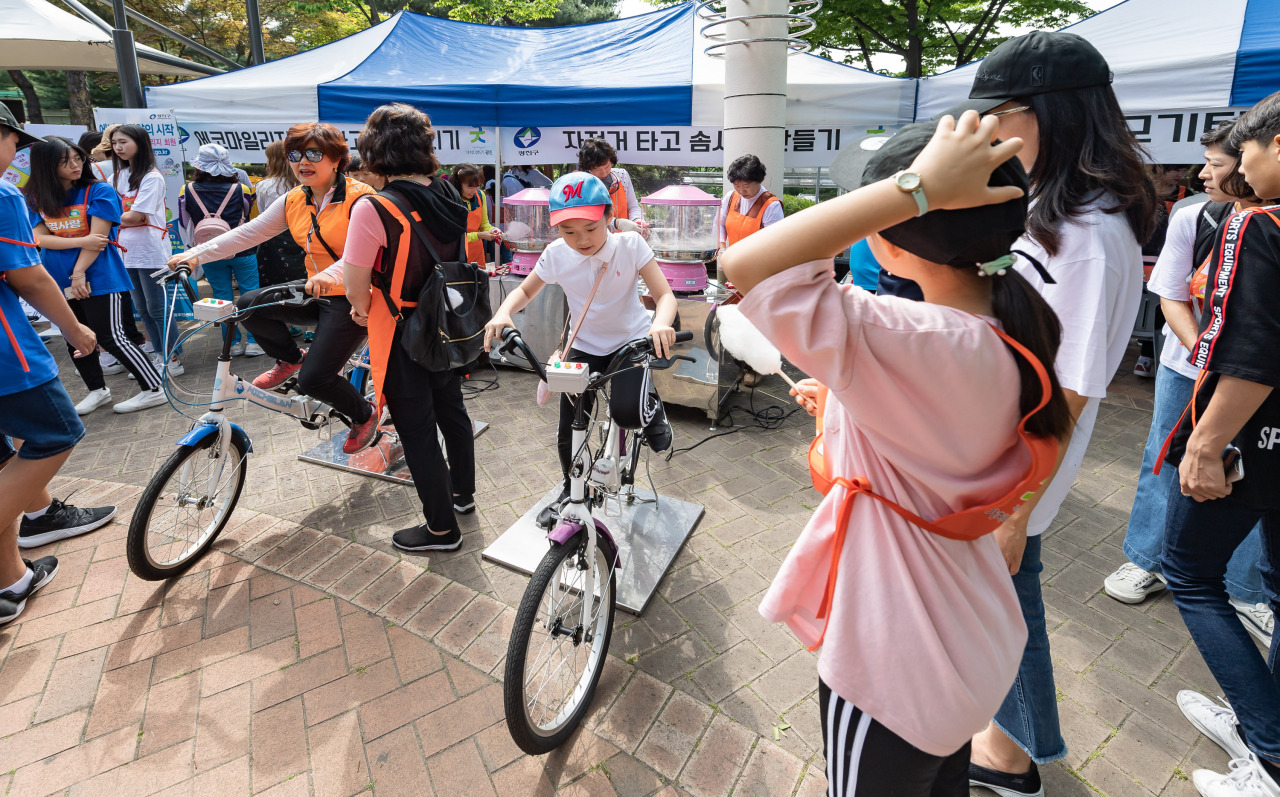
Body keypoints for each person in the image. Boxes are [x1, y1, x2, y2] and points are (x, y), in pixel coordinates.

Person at [720, 112, 1072, 794]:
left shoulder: (901, 332)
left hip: (894, 668)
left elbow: (746, 264)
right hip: (972, 641)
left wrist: (916, 185)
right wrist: (848, 403)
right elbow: (940, 433)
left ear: (889, 242)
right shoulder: (1012, 323)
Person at [947, 32, 1159, 796]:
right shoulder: (1051, 200)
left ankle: (1012, 758)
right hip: (1001, 445)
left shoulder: (1094, 232)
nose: (985, 129)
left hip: (1022, 458)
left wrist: (1016, 506)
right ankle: (1003, 737)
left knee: (1011, 599)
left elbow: (1074, 385)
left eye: (997, 113)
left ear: (1048, 112)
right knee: (1001, 599)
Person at [1105, 120, 1273, 648]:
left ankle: (1243, 591)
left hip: (1252, 381)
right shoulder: (1193, 216)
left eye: (1221, 164)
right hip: (1193, 369)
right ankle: (1149, 560)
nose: (1205, 173)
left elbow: (1259, 338)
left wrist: (1229, 365)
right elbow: (1171, 294)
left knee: (1251, 481)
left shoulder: (1258, 227)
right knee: (1169, 462)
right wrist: (1207, 354)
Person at [1160, 92, 1280, 797]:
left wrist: (1205, 445)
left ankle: (1267, 747)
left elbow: (1252, 350)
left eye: (1244, 153)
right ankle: (1263, 723)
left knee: (1190, 572)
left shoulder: (1258, 224)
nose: (1233, 169)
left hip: (1253, 437)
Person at [169, 123, 380, 456]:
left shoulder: (362, 199)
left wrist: (331, 275)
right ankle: (291, 358)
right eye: (295, 154)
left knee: (315, 381)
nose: (302, 162)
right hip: (317, 290)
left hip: (353, 296)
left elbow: (365, 252)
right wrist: (194, 255)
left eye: (314, 153)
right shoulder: (294, 199)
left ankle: (364, 414)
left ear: (338, 159)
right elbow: (246, 234)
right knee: (250, 303)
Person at [484, 171, 677, 529]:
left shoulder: (631, 246)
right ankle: (570, 490)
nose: (581, 240)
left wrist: (660, 324)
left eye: (590, 228)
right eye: (569, 231)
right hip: (583, 346)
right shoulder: (557, 253)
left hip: (631, 341)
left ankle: (651, 408)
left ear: (608, 216)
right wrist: (502, 312)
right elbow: (525, 291)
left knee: (628, 412)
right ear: (557, 229)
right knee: (569, 426)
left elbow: (665, 296)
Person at [337, 103, 476, 552]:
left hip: (400, 330)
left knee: (416, 429)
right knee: (451, 410)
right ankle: (461, 497)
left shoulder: (374, 208)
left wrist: (360, 309)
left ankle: (440, 530)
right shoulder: (450, 193)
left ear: (374, 150)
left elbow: (355, 282)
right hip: (447, 321)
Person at [0, 114, 116, 625]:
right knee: (57, 434)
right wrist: (75, 330)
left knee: (7, 459)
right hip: (7, 355)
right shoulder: (4, 198)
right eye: (14, 140)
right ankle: (34, 519)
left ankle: (12, 579)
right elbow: (32, 278)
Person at [25, 136, 167, 414]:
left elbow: (99, 239)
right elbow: (38, 238)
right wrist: (80, 241)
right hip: (56, 278)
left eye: (78, 158)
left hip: (100, 276)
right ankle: (97, 390)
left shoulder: (99, 191)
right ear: (46, 166)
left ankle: (154, 389)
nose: (76, 165)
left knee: (111, 336)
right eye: (66, 162)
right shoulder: (35, 197)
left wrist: (79, 273)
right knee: (73, 335)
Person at [110, 124, 182, 376]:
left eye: (123, 142)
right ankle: (161, 354)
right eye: (115, 143)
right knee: (141, 308)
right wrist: (122, 216)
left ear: (140, 144)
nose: (118, 147)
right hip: (124, 251)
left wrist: (110, 217)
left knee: (157, 307)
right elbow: (126, 216)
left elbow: (137, 216)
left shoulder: (152, 177)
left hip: (150, 250)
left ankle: (173, 358)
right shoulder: (116, 177)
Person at [178, 144, 262, 357]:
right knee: (250, 294)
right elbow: (251, 218)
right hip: (243, 249)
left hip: (209, 252)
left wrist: (192, 251)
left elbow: (184, 223)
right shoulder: (241, 189)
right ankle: (254, 342)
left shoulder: (186, 190)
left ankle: (231, 344)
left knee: (221, 298)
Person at [253, 140, 307, 287]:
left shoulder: (264, 185)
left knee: (273, 283)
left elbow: (263, 214)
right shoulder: (305, 182)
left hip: (272, 239)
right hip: (302, 236)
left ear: (272, 159)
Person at [717, 154, 783, 253]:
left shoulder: (771, 206)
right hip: (732, 260)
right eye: (736, 185)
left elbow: (773, 242)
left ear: (759, 181)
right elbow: (720, 224)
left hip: (757, 263)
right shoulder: (730, 197)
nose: (741, 191)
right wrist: (722, 248)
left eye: (746, 186)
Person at [577, 139, 645, 230]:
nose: (604, 172)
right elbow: (589, 216)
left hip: (624, 238)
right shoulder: (581, 184)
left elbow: (632, 206)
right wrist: (618, 223)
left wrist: (637, 220)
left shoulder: (622, 175)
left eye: (607, 166)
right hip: (597, 240)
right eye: (598, 169)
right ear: (588, 167)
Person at [453, 163, 500, 267]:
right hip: (456, 255)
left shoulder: (480, 195)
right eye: (470, 186)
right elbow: (453, 236)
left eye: (477, 186)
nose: (474, 191)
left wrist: (493, 230)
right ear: (458, 183)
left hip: (477, 253)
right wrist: (479, 235)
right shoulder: (450, 198)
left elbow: (484, 224)